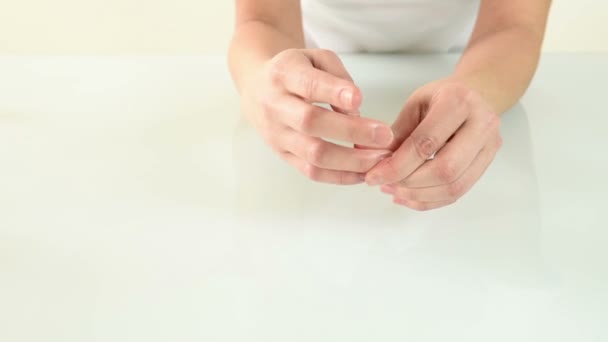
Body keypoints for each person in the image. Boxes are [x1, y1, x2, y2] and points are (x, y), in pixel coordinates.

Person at [228, 0, 551, 211]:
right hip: (309, 66)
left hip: (474, 61)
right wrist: (261, 78)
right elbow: (263, 20)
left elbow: (513, 24)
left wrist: (475, 90)